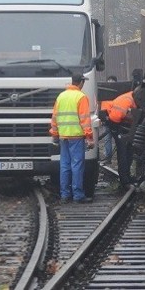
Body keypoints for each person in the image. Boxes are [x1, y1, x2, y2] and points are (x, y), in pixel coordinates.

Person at [50, 73, 94, 204]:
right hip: (76, 137)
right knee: (77, 166)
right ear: (80, 82)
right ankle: (78, 195)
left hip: (63, 137)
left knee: (64, 166)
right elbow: (85, 120)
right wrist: (89, 138)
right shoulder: (81, 97)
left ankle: (64, 195)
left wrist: (54, 134)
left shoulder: (61, 96)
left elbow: (54, 118)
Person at [100, 90, 137, 186]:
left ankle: (126, 176)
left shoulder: (131, 99)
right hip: (115, 124)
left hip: (118, 124)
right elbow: (115, 117)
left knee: (127, 151)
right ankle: (124, 178)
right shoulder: (127, 101)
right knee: (123, 151)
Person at [100, 75, 119, 162]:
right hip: (107, 121)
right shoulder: (104, 95)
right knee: (107, 139)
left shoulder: (118, 96)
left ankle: (119, 157)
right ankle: (108, 157)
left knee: (117, 140)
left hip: (116, 121)